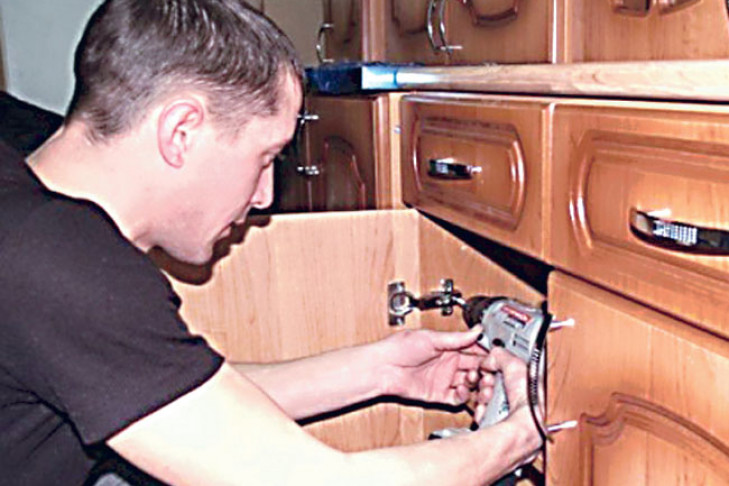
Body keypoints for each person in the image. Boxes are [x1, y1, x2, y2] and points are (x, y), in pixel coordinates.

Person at [0, 1, 542, 485]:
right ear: (181, 131)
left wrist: (381, 371)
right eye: (265, 158)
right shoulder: (64, 267)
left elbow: (181, 402)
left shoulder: (25, 199)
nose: (263, 197)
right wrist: (522, 432)